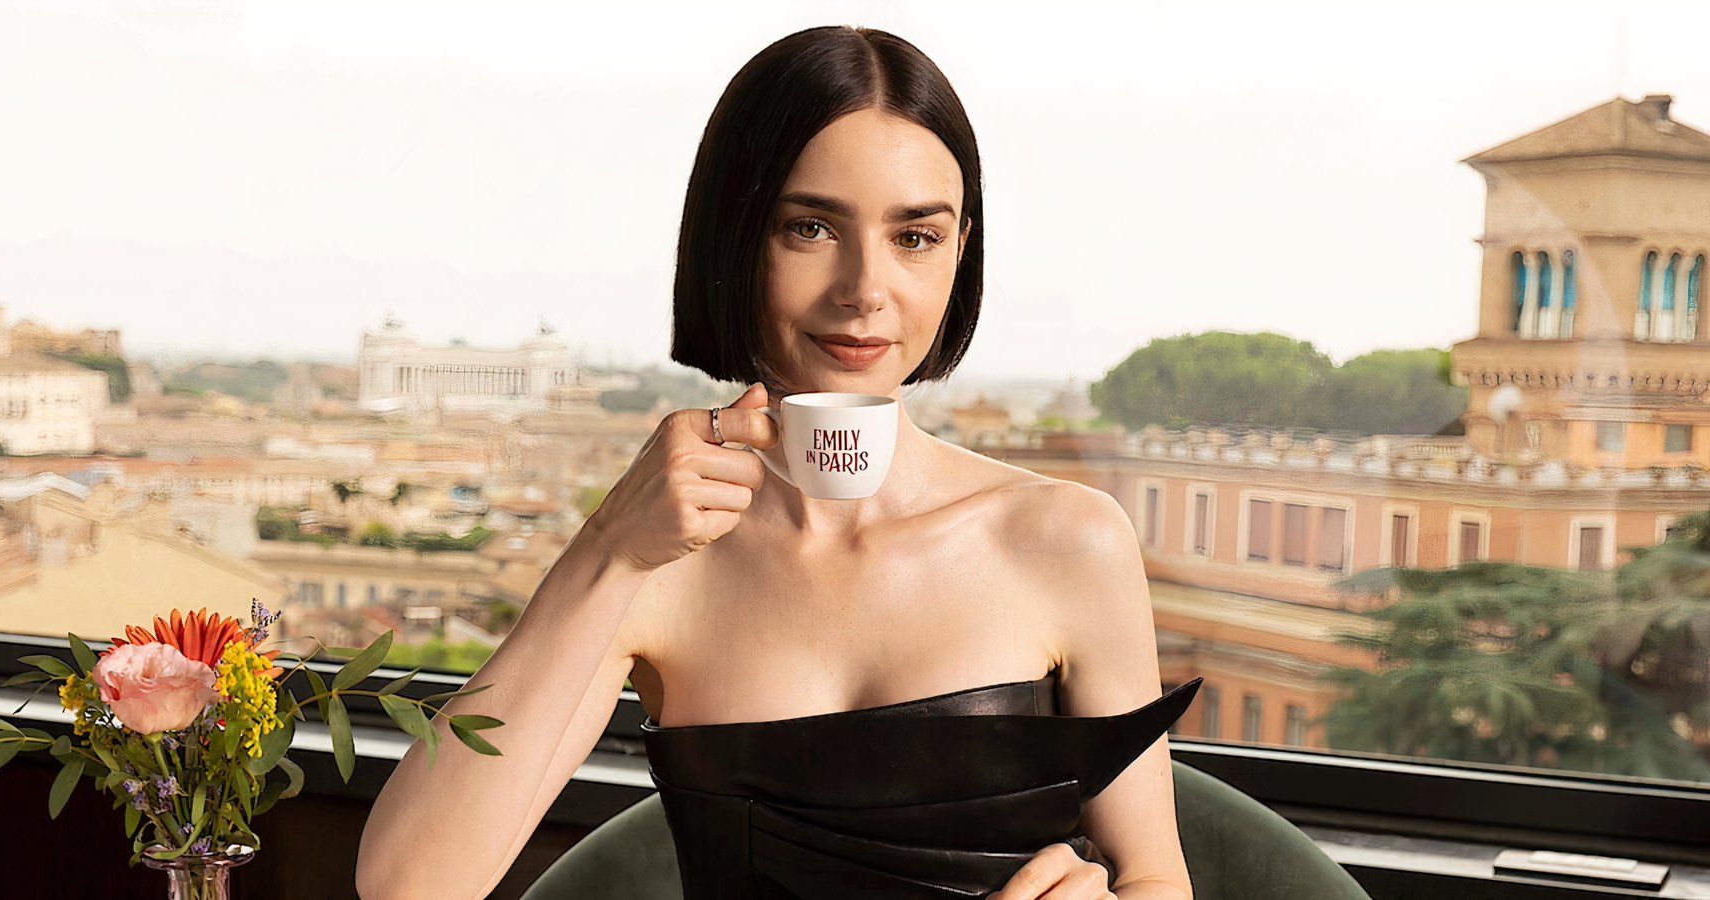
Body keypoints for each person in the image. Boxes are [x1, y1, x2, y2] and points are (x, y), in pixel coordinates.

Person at [358, 24, 1197, 900]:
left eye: (914, 236)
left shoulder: (1067, 541)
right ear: (735, 238)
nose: (864, 288)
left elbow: (1154, 879)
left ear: (959, 251)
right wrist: (608, 547)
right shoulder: (656, 562)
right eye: (810, 227)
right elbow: (407, 885)